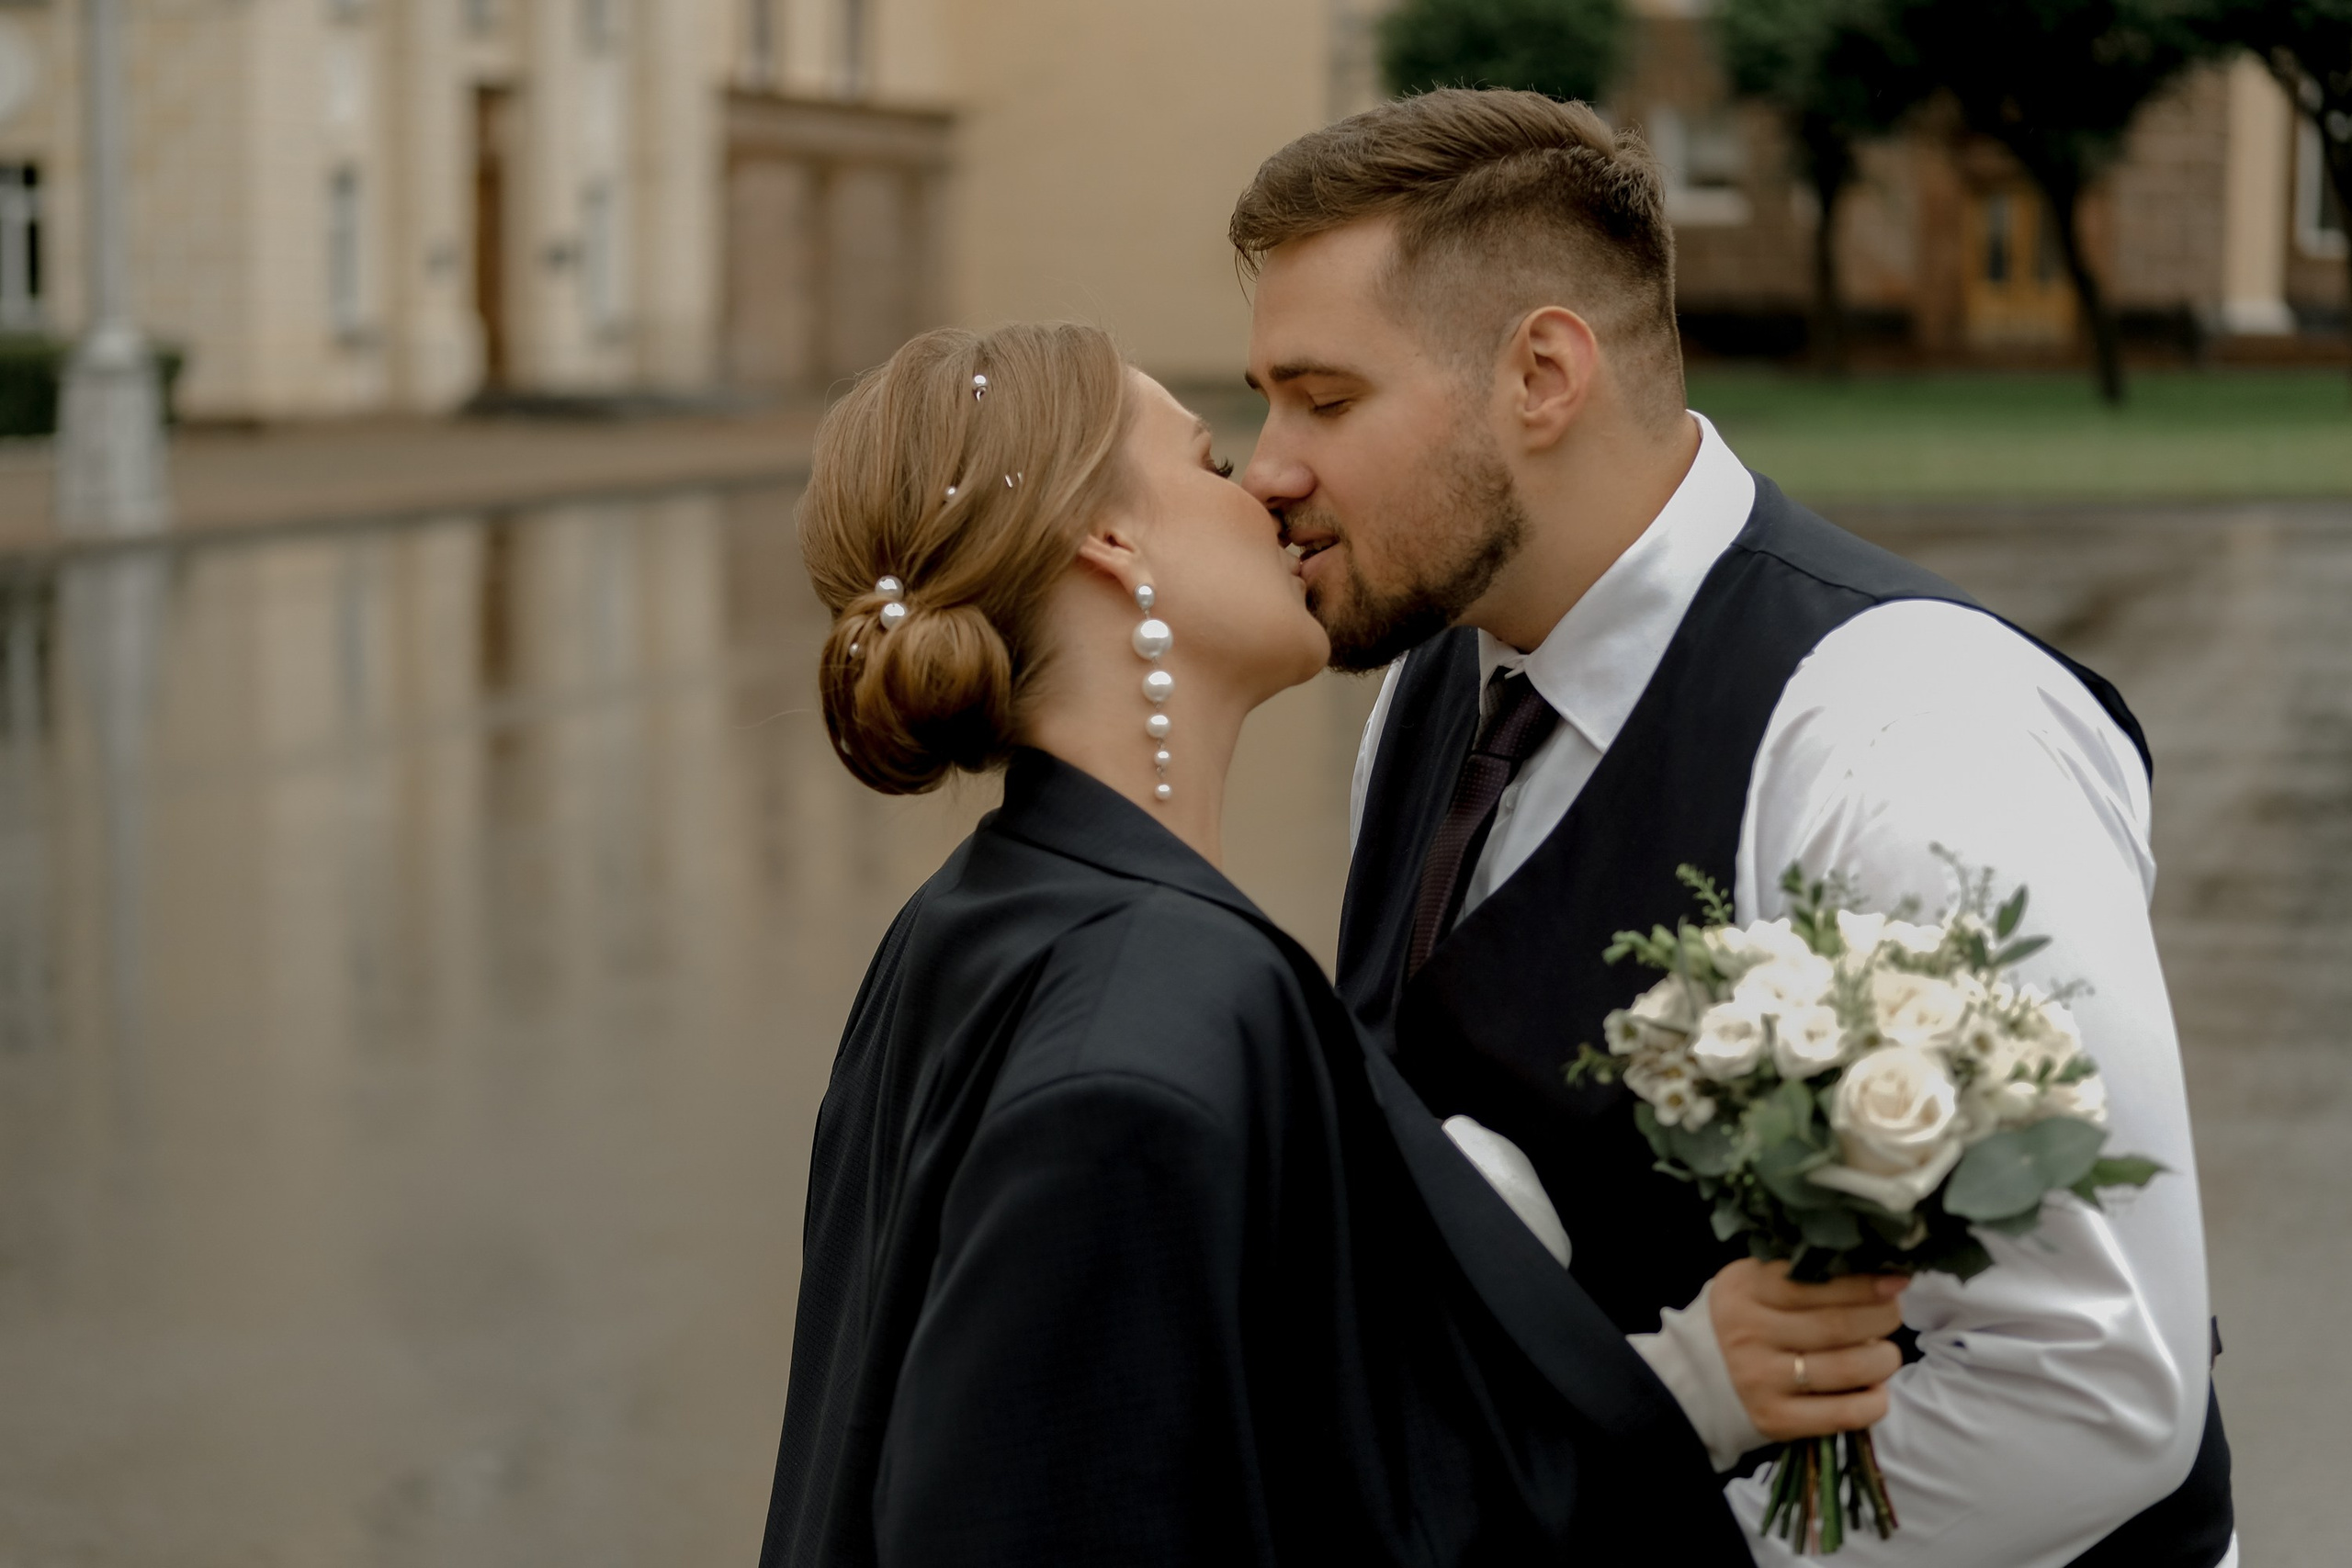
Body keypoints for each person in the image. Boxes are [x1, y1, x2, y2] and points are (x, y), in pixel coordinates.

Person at [1229, 87, 2234, 1567]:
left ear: (1544, 374)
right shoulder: (1435, 688)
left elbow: (2086, 1385)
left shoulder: (1908, 726)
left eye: (1325, 400)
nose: (1268, 464)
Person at [756, 321, 1904, 1566]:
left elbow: (1255, 1466)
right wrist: (1679, 1402)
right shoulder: (1140, 1033)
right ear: (1109, 537)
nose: (1263, 488)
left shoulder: (976, 924)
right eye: (1205, 462)